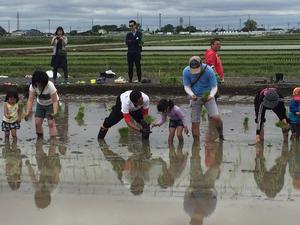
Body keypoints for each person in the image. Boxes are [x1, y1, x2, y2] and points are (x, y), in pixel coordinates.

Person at [182, 56, 224, 141]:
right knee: (195, 123)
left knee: (216, 117)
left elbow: (214, 86)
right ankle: (196, 146)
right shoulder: (186, 71)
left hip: (208, 96)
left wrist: (211, 96)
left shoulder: (209, 71)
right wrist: (192, 94)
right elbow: (186, 86)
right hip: (195, 97)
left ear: (201, 64)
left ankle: (221, 135)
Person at [25, 138, 61, 209]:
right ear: (47, 196)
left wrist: (28, 165)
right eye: (41, 196)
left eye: (38, 195)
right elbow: (56, 174)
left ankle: (40, 142)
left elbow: (32, 176)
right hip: (53, 169)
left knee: (38, 152)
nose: (40, 193)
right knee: (51, 153)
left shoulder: (37, 187)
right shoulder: (52, 187)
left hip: (43, 168)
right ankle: (53, 141)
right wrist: (55, 166)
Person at [25, 70, 59, 139]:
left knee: (51, 123)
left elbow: (55, 101)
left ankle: (53, 141)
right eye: (37, 83)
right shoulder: (33, 86)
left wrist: (55, 112)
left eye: (40, 83)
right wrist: (27, 112)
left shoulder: (50, 86)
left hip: (51, 104)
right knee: (37, 123)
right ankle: (40, 140)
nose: (39, 85)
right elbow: (30, 100)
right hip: (40, 104)